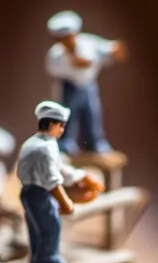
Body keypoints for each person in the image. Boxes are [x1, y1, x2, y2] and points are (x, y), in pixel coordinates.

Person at [17, 100, 99, 263]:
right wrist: (65, 202)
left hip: (29, 191)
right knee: (51, 224)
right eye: (61, 126)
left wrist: (80, 176)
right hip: (38, 192)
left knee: (36, 226)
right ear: (52, 124)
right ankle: (48, 257)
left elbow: (59, 167)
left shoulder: (37, 143)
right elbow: (52, 181)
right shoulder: (44, 148)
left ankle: (37, 256)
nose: (62, 130)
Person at [45, 11, 127, 155]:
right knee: (68, 116)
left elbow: (107, 48)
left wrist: (114, 50)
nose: (68, 41)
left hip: (88, 86)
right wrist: (71, 64)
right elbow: (52, 68)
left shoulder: (88, 43)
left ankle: (95, 143)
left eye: (70, 37)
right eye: (64, 39)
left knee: (92, 115)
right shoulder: (57, 54)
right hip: (69, 86)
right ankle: (66, 143)